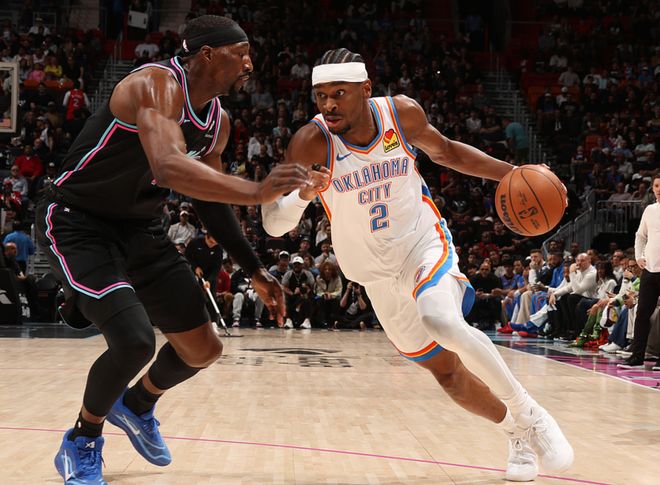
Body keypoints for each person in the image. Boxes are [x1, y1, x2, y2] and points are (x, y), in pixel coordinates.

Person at [262, 48, 573, 482]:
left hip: (422, 244)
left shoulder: (401, 114)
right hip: (375, 276)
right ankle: (516, 433)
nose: (329, 105)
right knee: (448, 375)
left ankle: (530, 413)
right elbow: (272, 222)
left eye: (339, 93)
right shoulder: (311, 141)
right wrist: (302, 196)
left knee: (441, 320)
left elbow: (447, 152)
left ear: (366, 89)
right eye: (321, 96)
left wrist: (515, 172)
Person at [35, 15, 310, 484]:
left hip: (141, 227)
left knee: (203, 348)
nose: (249, 64)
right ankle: (82, 439)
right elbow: (168, 165)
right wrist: (257, 191)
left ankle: (138, 403)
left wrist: (254, 269)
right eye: (241, 54)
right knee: (135, 341)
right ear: (207, 54)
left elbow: (210, 201)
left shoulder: (218, 121)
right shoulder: (155, 85)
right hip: (78, 221)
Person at [618, 174, 660, 369]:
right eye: (657, 185)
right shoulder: (650, 210)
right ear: (653, 188)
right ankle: (637, 356)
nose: (659, 189)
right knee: (642, 313)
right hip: (650, 270)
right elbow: (640, 236)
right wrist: (638, 256)